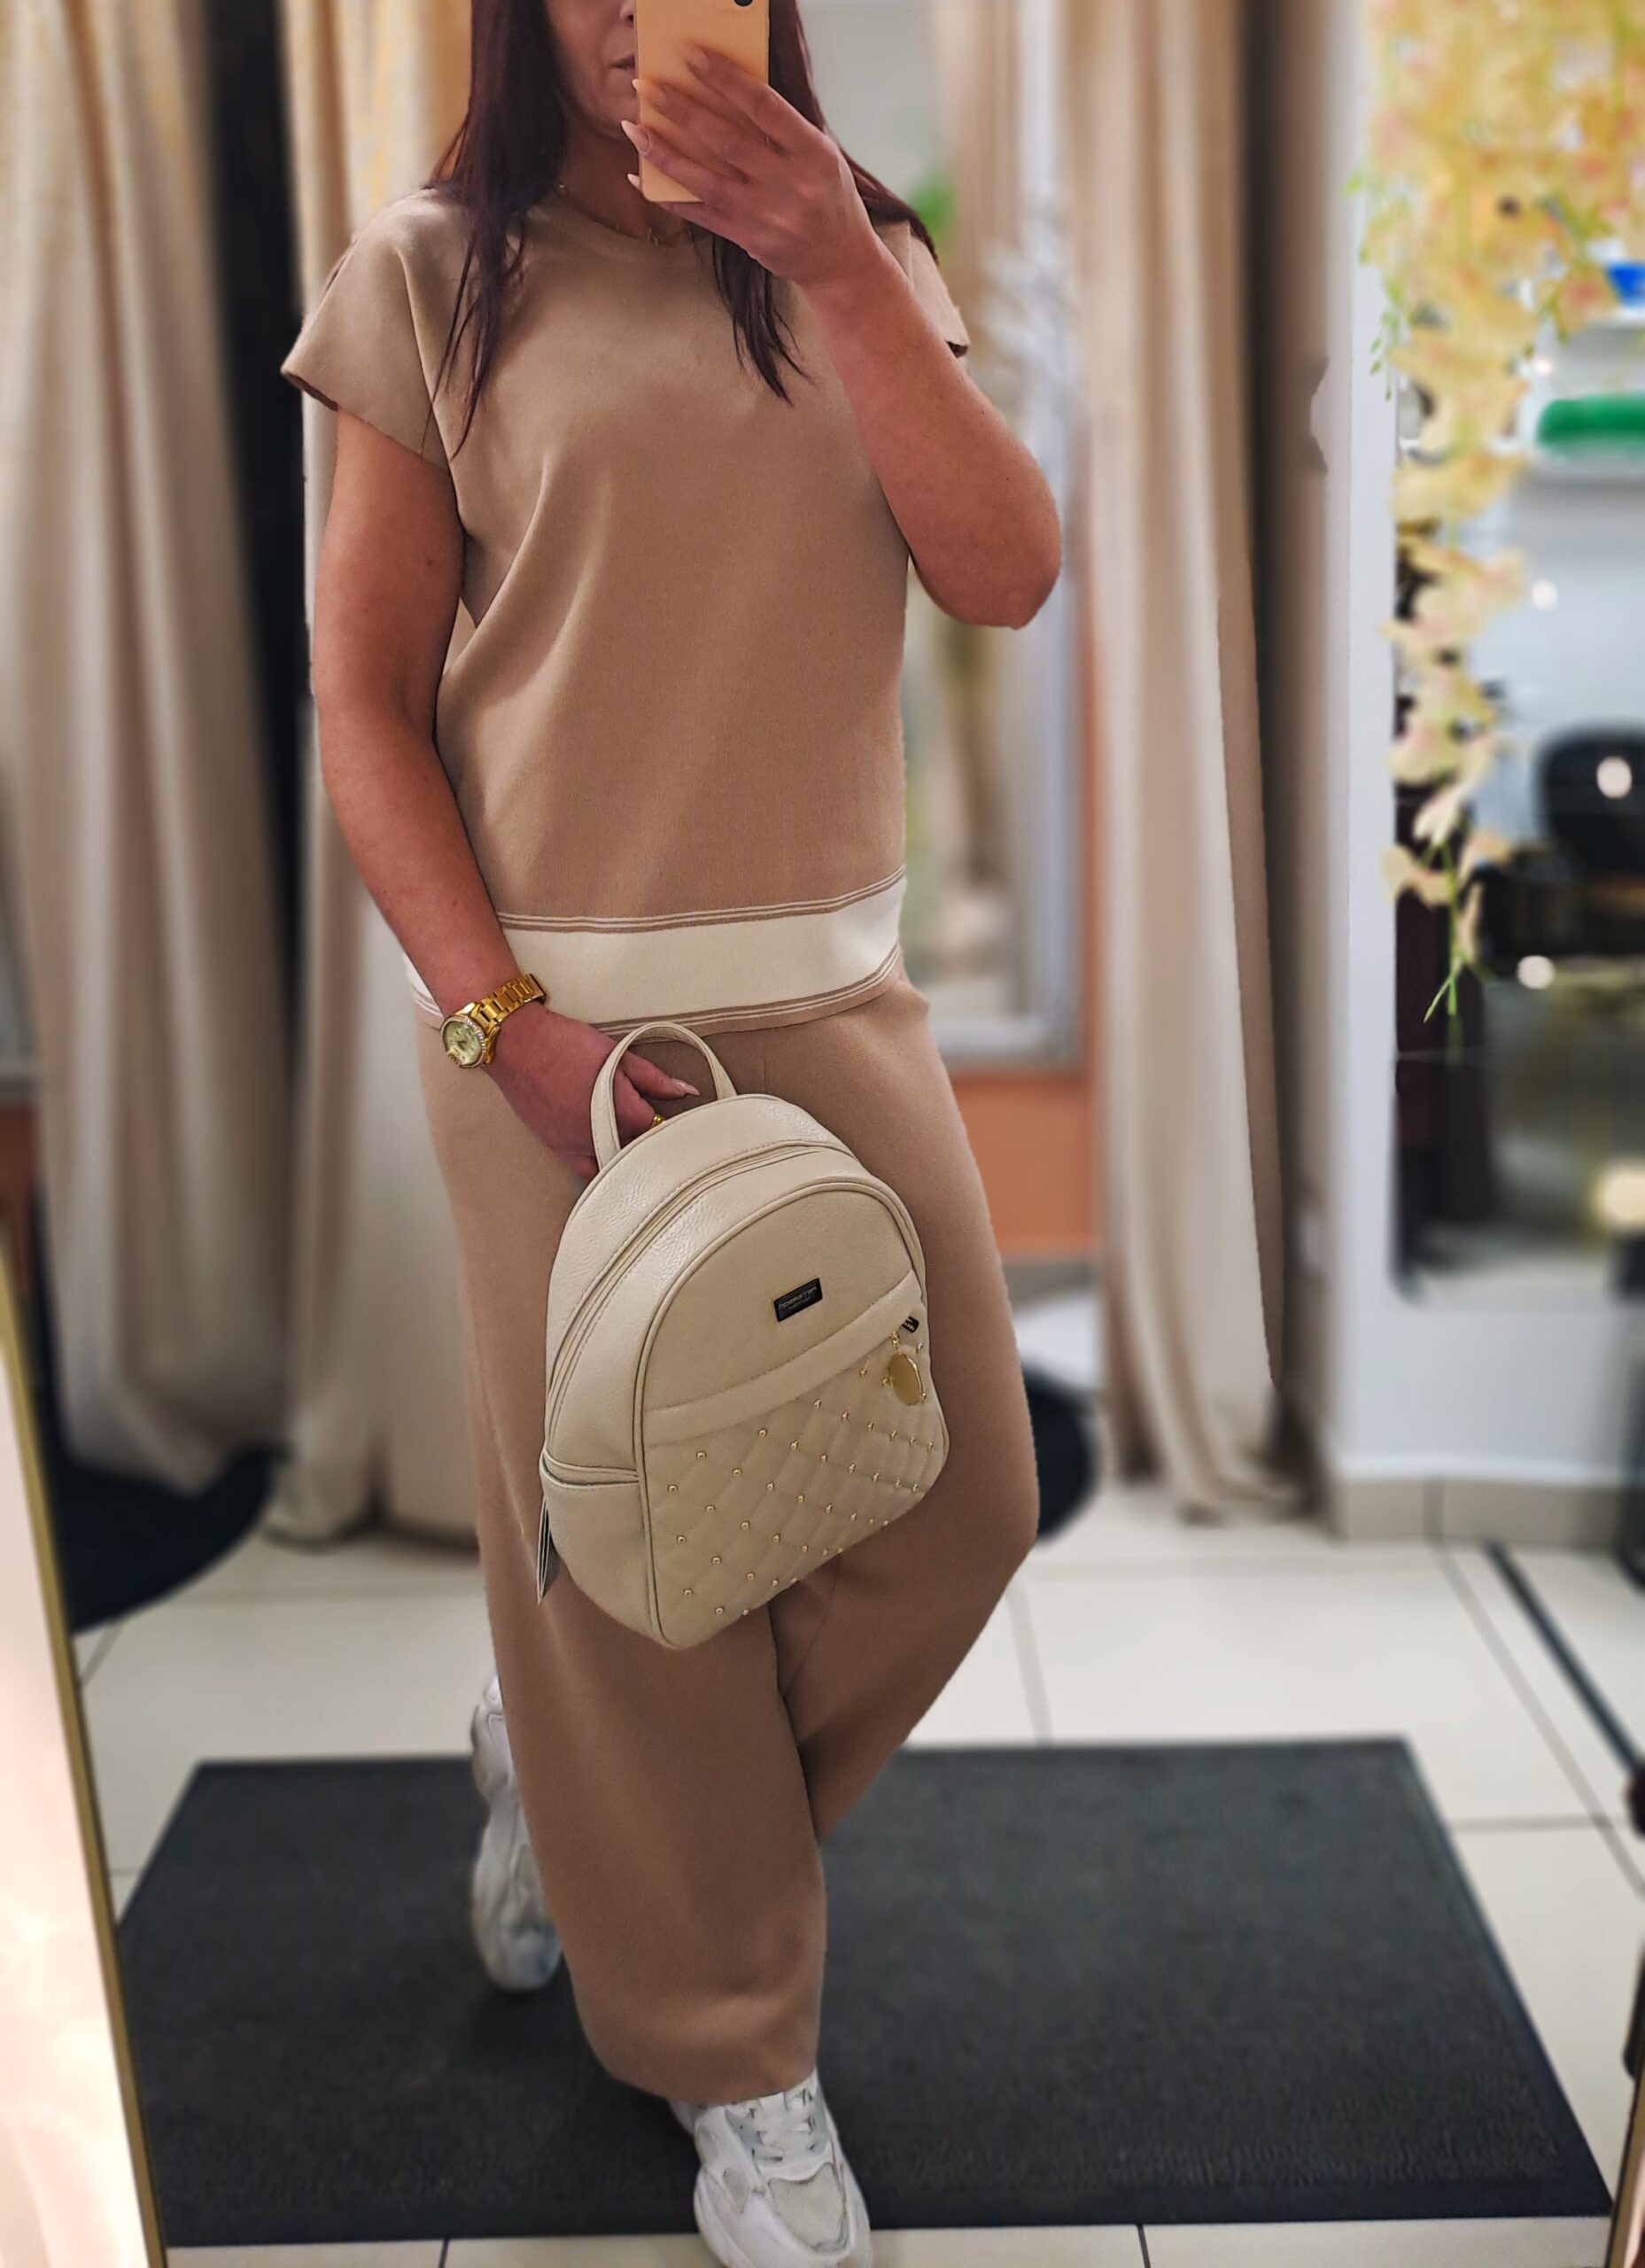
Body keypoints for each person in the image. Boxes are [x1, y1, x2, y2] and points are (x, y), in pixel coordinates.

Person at [279, 0, 1059, 2254]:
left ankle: (585, 1797)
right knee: (641, 1585)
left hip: (836, 1000)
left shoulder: (858, 252)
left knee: (956, 1500)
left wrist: (831, 261)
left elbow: (1004, 569)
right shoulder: (432, 274)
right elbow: (363, 702)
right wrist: (506, 1030)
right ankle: (735, 2056)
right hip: (559, 1042)